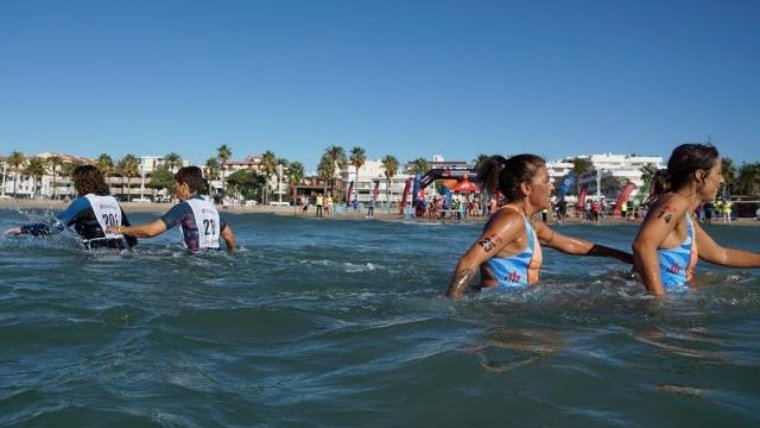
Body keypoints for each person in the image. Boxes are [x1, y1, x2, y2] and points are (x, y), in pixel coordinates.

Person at [446, 154, 633, 299]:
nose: (552, 187)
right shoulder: (511, 221)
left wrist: (620, 255)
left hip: (518, 299)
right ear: (526, 188)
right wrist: (451, 306)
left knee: (615, 282)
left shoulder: (529, 223)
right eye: (546, 181)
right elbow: (468, 261)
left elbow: (569, 244)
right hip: (502, 308)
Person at [632, 144, 760, 296]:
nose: (722, 181)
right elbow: (643, 245)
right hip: (650, 302)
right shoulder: (675, 203)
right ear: (700, 175)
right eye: (718, 173)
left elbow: (720, 254)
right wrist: (658, 302)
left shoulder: (686, 216)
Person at [5, 165, 137, 250]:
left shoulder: (83, 202)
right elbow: (131, 235)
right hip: (120, 252)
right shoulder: (113, 201)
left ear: (80, 182)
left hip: (97, 258)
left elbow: (53, 228)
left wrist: (22, 229)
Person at [107, 166, 235, 253]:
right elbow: (229, 236)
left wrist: (120, 229)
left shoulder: (185, 207)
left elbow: (151, 231)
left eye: (177, 186)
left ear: (184, 186)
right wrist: (231, 255)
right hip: (215, 261)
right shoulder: (211, 207)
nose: (176, 190)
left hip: (196, 263)